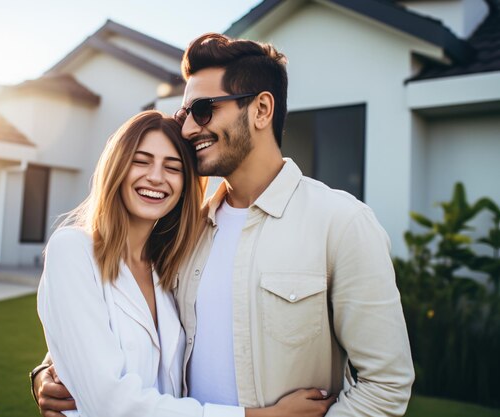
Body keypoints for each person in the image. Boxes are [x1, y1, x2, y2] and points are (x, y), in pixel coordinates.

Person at [34, 33, 415, 417]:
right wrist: (50, 372)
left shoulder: (342, 223)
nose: (185, 130)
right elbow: (109, 322)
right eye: (184, 115)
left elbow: (385, 385)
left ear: (261, 110)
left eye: (203, 110)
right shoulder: (184, 232)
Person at [36, 110, 335, 417]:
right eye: (141, 160)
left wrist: (46, 370)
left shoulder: (167, 267)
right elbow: (108, 402)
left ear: (185, 185)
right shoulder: (73, 250)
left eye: (173, 167)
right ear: (116, 167)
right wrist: (264, 416)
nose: (156, 177)